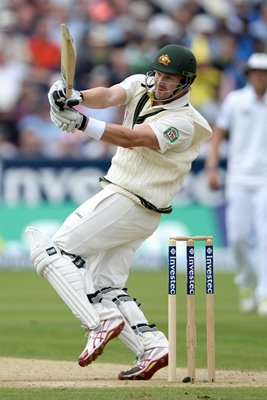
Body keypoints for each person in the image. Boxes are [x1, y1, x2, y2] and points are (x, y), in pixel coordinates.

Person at [25, 44, 212, 380]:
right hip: (132, 205)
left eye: (170, 79)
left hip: (130, 199)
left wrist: (81, 123)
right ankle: (152, 346)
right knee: (105, 284)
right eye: (158, 74)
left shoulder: (185, 123)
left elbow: (131, 138)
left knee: (52, 252)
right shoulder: (142, 83)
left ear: (186, 83)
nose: (160, 83)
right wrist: (76, 96)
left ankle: (99, 319)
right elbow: (110, 95)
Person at [206, 52, 267, 317]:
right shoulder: (235, 100)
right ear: (249, 74)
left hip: (265, 178)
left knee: (265, 237)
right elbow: (218, 133)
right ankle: (245, 280)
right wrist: (211, 167)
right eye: (256, 72)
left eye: (264, 73)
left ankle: (264, 293)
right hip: (238, 178)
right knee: (239, 236)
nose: (260, 77)